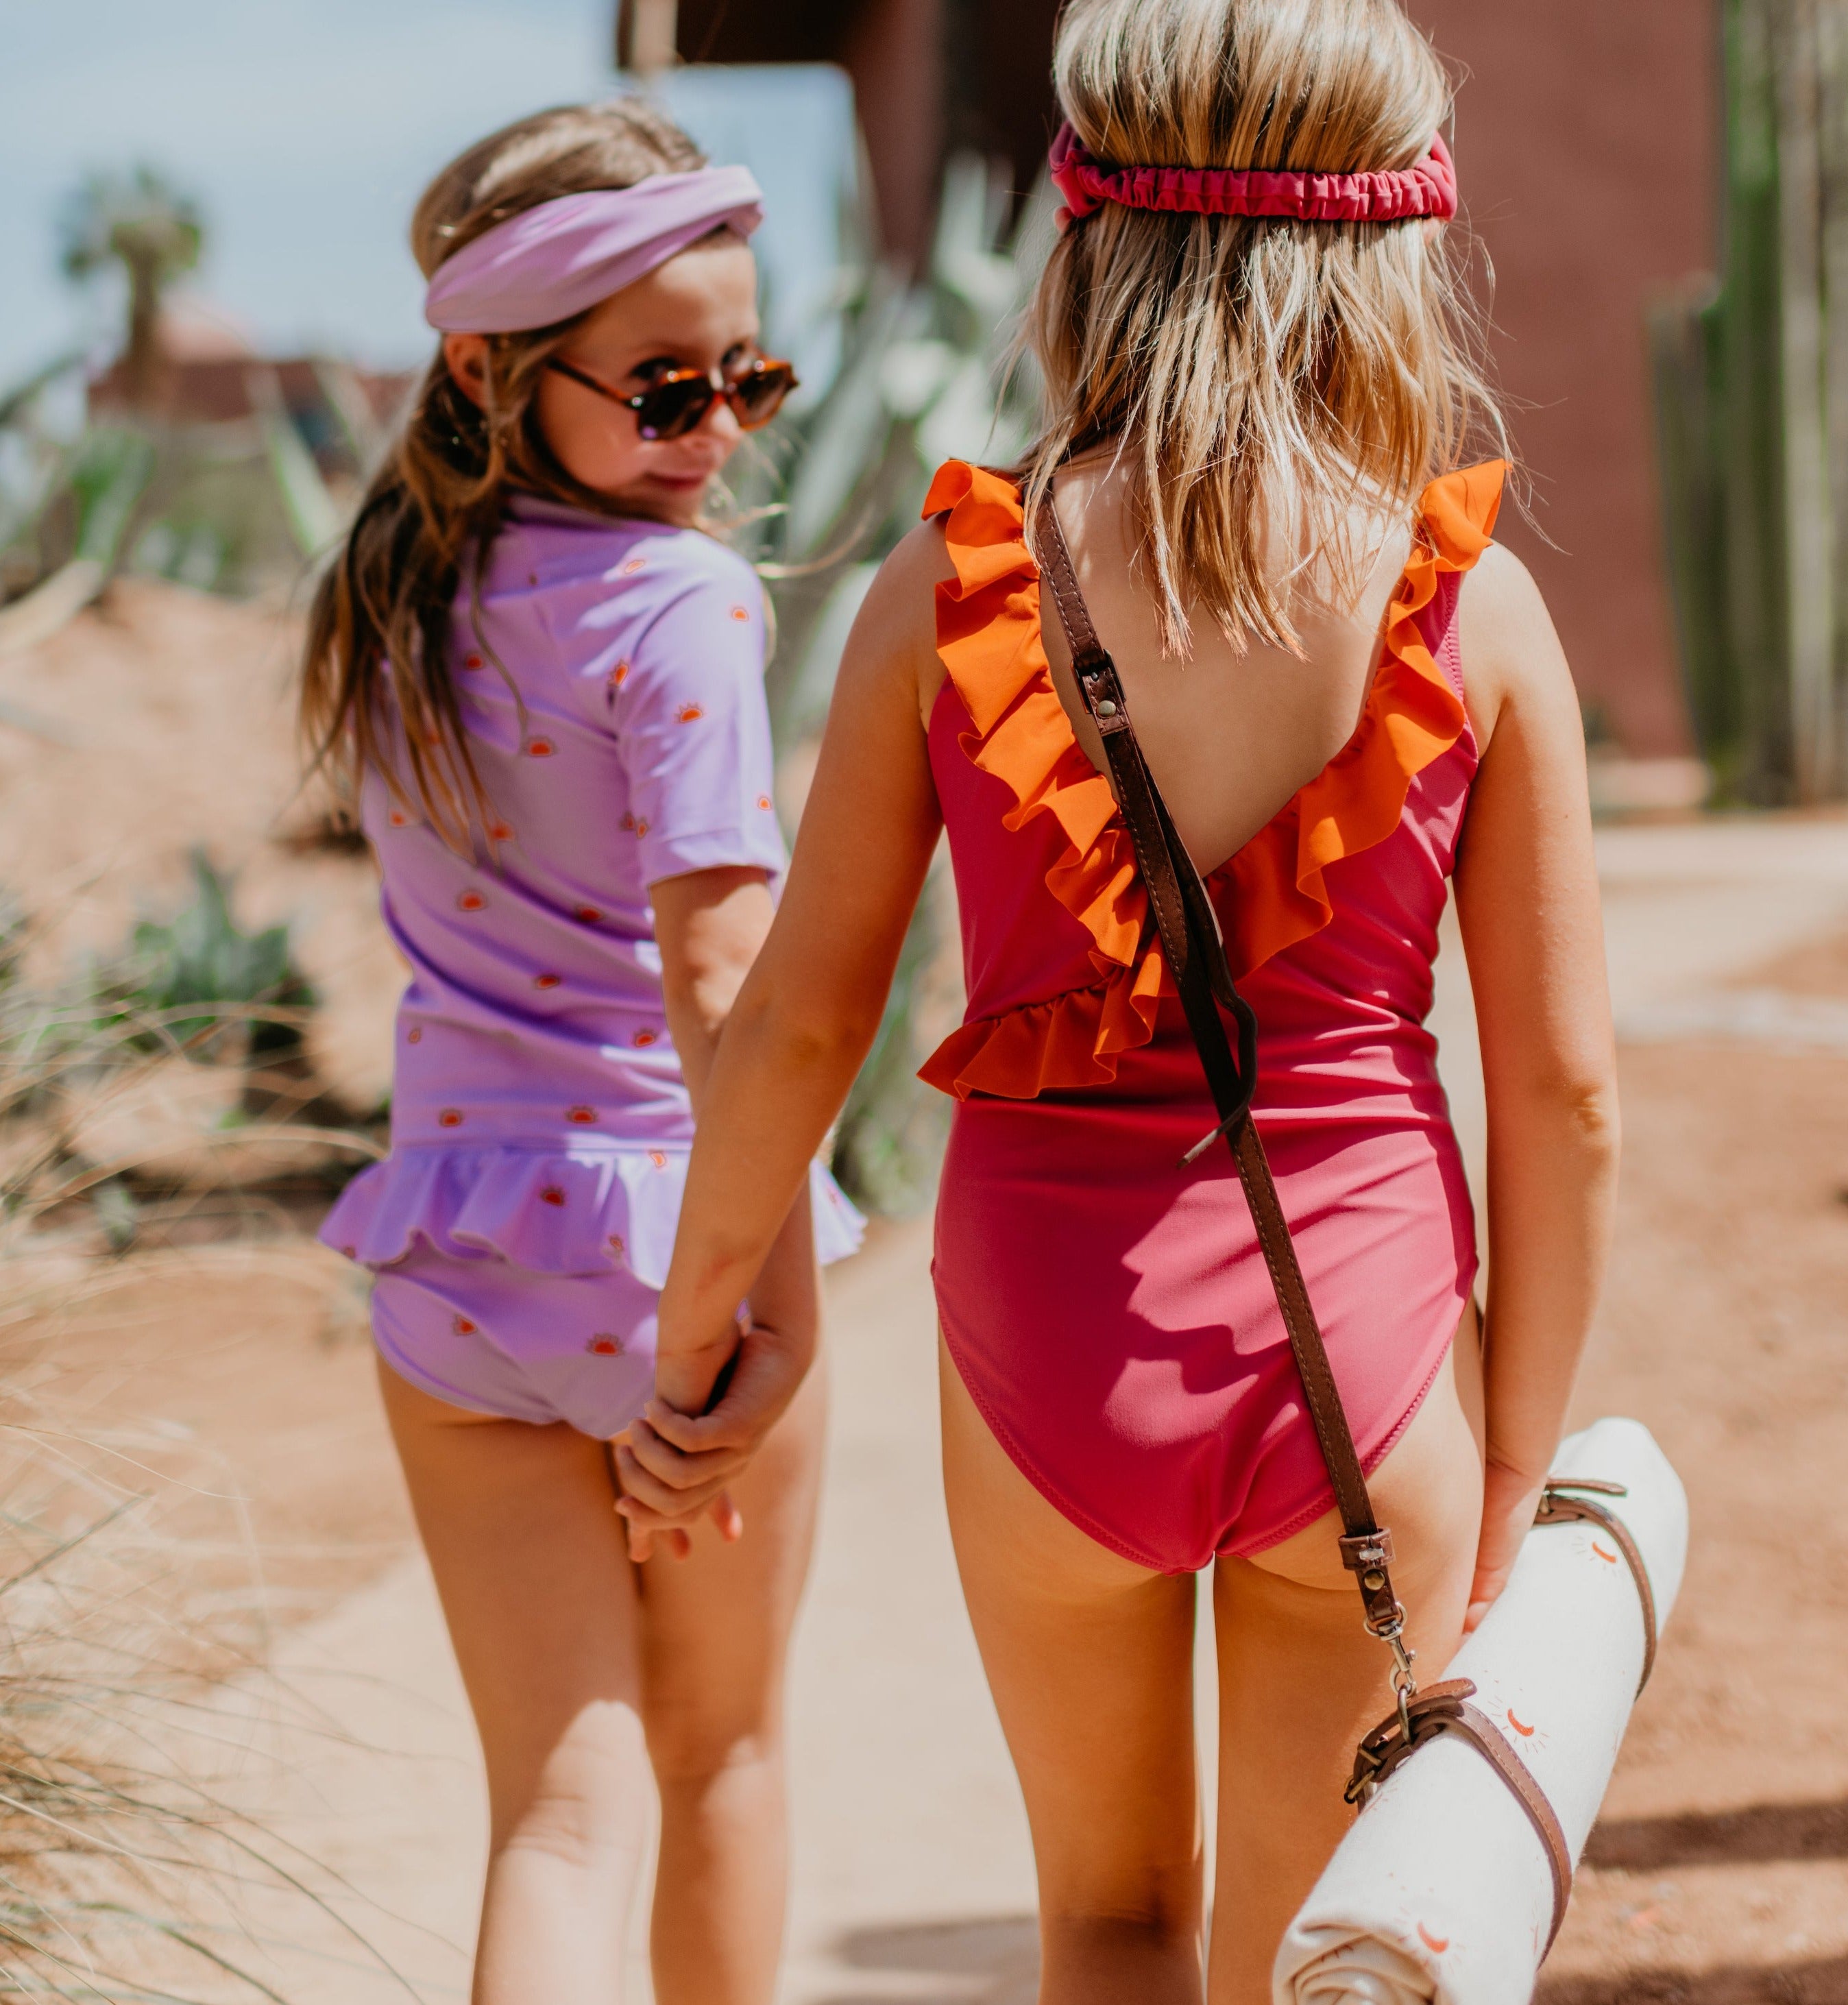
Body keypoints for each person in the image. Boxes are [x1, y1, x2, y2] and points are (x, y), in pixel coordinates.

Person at [620, 0, 1619, 1997]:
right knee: (1296, 1947)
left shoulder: (961, 586)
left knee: (1102, 1918)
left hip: (1043, 1348)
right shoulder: (1472, 604)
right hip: (1368, 1357)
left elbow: (803, 1026)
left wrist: (693, 1350)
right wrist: (1511, 1470)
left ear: (1087, 244)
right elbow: (1567, 1093)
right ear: (1390, 259)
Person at [300, 100, 862, 2005]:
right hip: (664, 1255)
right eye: (665, 389)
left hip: (452, 1258)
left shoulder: (393, 598)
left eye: (750, 380)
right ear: (492, 369)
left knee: (557, 1810)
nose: (714, 432)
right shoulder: (684, 606)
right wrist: (766, 1313)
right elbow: (727, 993)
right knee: (726, 1758)